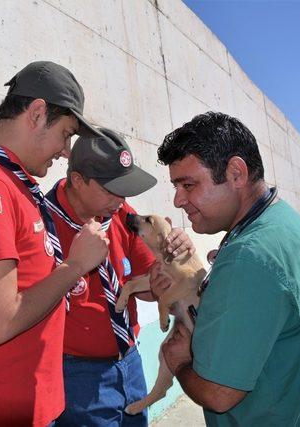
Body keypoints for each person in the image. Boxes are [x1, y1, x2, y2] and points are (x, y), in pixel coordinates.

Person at [0, 61, 110, 426]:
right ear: (36, 113)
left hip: (23, 402)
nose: (65, 151)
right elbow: (0, 323)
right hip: (3, 408)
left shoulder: (9, 182)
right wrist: (75, 267)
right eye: (65, 134)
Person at [157, 112, 300, 426]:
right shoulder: (283, 224)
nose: (178, 200)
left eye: (188, 185)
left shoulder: (249, 257)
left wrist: (180, 362)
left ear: (235, 173)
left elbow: (219, 394)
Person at [45, 128, 193, 426]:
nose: (122, 199)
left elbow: (151, 287)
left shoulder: (121, 212)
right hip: (78, 379)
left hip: (130, 363)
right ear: (78, 180)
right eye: (112, 189)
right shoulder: (42, 223)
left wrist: (175, 256)